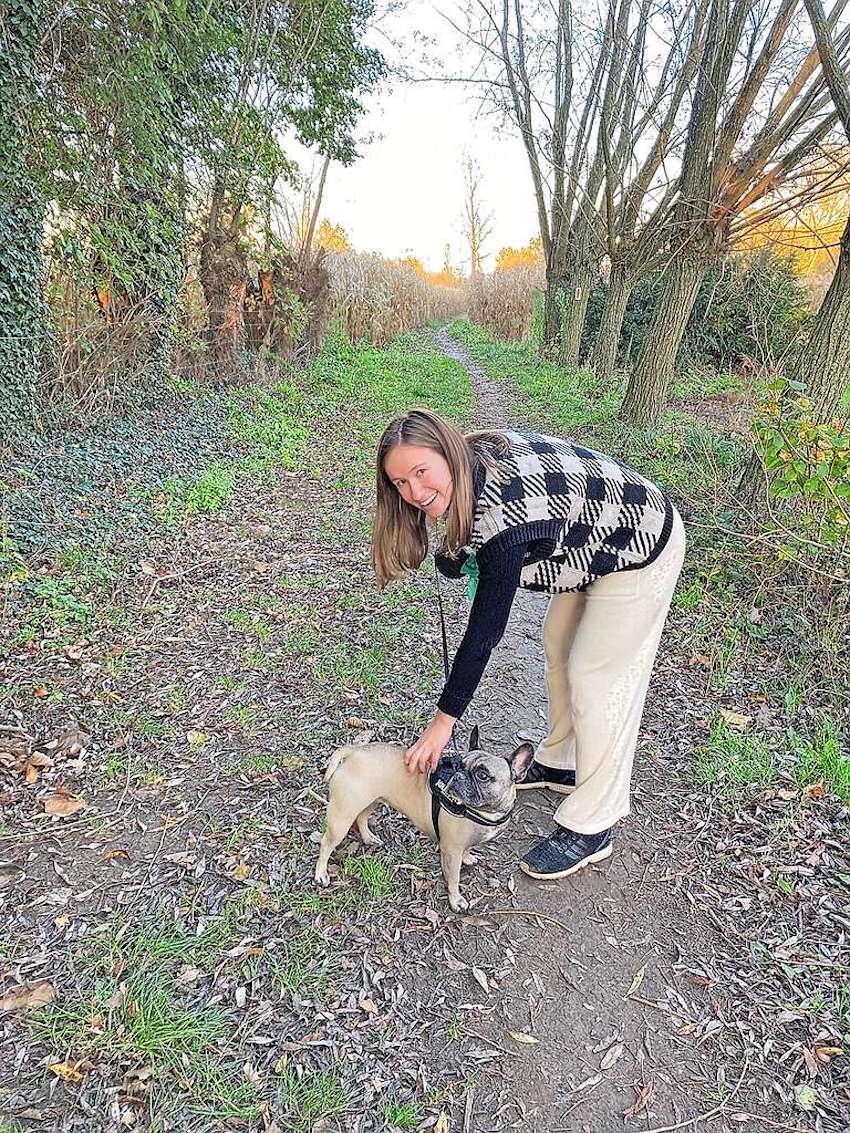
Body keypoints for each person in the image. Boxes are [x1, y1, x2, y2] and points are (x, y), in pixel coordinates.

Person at [371, 408, 686, 880]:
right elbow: (475, 538)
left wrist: (442, 723)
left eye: (421, 472)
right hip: (591, 548)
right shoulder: (470, 473)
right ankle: (561, 763)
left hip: (640, 545)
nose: (414, 493)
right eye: (400, 483)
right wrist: (455, 554)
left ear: (448, 453)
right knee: (558, 644)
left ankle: (595, 822)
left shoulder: (502, 511)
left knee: (597, 679)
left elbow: (485, 633)